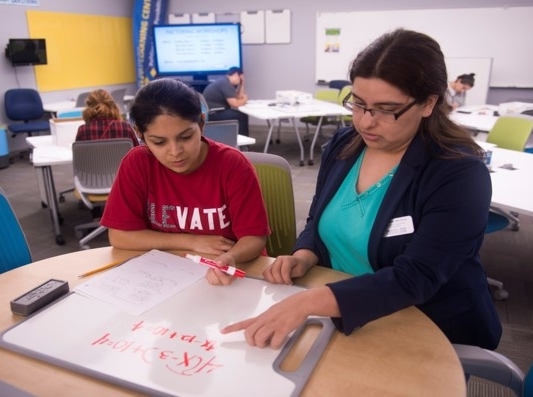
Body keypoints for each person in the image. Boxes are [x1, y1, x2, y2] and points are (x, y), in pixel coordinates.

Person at [220, 29, 502, 350]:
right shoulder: (345, 145)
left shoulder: (458, 173)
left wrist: (308, 302)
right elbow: (318, 220)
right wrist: (304, 255)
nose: (366, 122)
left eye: (385, 109)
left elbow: (417, 277)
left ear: (428, 103)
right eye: (359, 104)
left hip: (424, 322)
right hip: (340, 307)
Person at [100, 78, 270, 276]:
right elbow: (120, 236)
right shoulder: (138, 163)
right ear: (140, 135)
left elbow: (254, 238)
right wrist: (190, 241)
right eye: (159, 142)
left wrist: (230, 257)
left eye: (186, 137)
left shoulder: (233, 165)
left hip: (230, 274)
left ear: (202, 123)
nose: (175, 151)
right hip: (167, 275)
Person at [202, 67, 250, 136]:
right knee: (241, 116)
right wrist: (245, 99)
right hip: (213, 113)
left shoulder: (224, 81)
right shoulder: (225, 83)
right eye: (240, 78)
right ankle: (243, 145)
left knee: (238, 114)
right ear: (236, 75)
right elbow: (235, 104)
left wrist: (242, 84)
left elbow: (238, 97)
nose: (240, 80)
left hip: (215, 111)